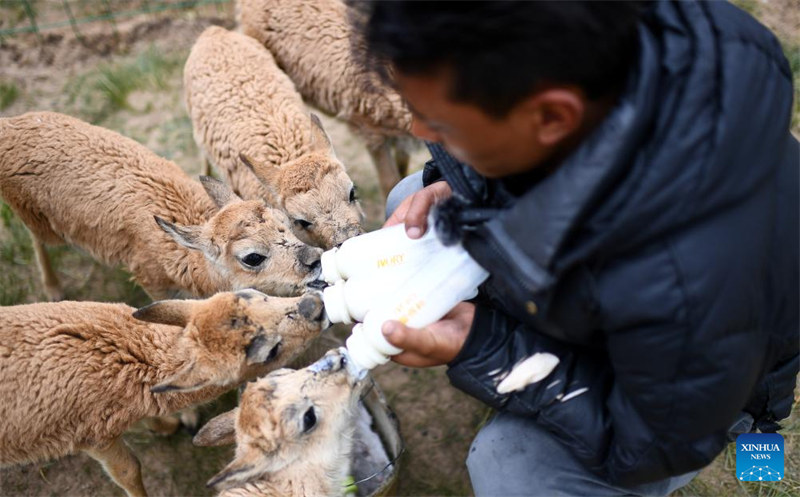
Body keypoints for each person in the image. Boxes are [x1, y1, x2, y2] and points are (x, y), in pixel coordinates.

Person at [350, 1, 799, 496]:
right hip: (633, 314)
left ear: (551, 116)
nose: (417, 131)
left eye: (443, 124)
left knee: (512, 470)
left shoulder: (687, 282)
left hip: (680, 402)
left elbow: (650, 445)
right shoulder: (605, 55)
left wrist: (484, 346)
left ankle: (749, 443)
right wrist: (462, 184)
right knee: (416, 210)